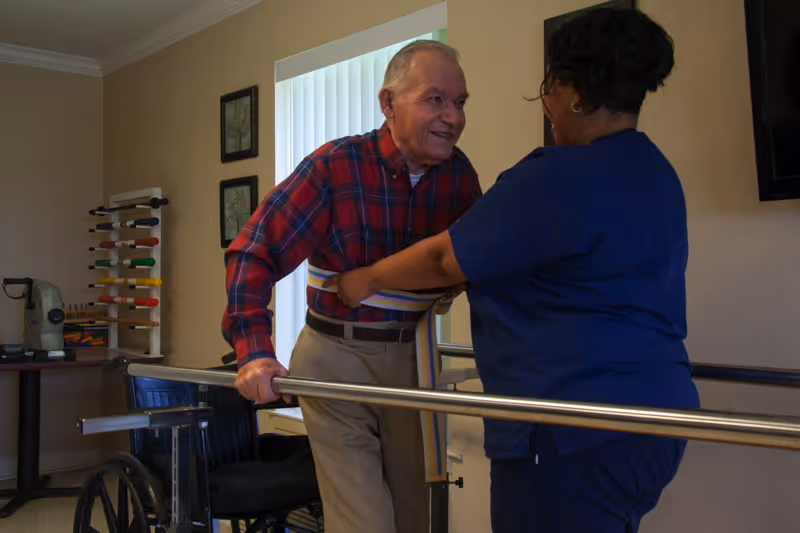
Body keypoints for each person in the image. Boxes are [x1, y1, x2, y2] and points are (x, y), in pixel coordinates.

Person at [331, 9, 700, 533]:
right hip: (658, 421)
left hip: (572, 430)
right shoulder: (657, 172)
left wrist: (364, 279)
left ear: (574, 93)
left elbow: (444, 258)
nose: (547, 105)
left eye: (548, 89)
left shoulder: (558, 177)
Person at [222, 40, 482, 533]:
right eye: (434, 100)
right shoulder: (334, 167)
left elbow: (480, 263)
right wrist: (254, 351)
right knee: (363, 521)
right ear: (388, 104)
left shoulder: (460, 178)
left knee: (420, 515)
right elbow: (254, 250)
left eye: (460, 102)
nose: (452, 117)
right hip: (335, 356)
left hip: (414, 356)